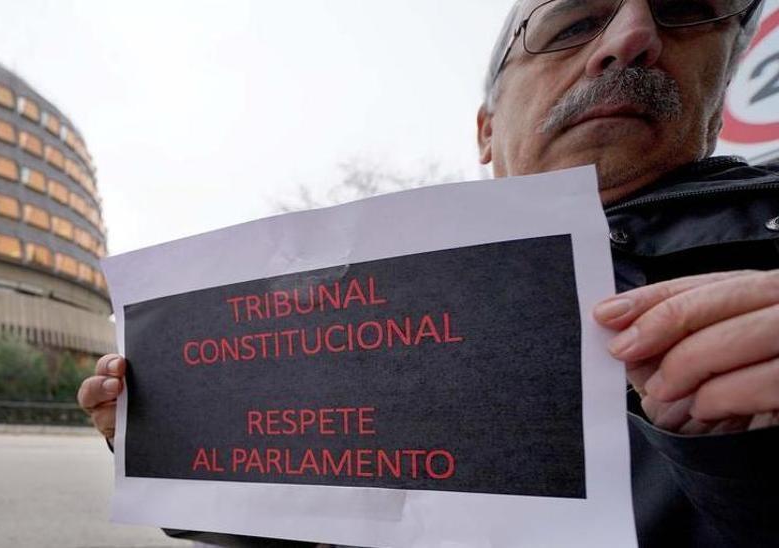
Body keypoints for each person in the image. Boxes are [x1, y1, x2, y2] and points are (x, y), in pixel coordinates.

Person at [79, 1, 779, 546]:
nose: (631, 36)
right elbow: (296, 535)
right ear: (484, 129)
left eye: (686, 12)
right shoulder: (355, 300)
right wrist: (182, 439)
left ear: (718, 99)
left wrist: (747, 466)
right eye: (574, 23)